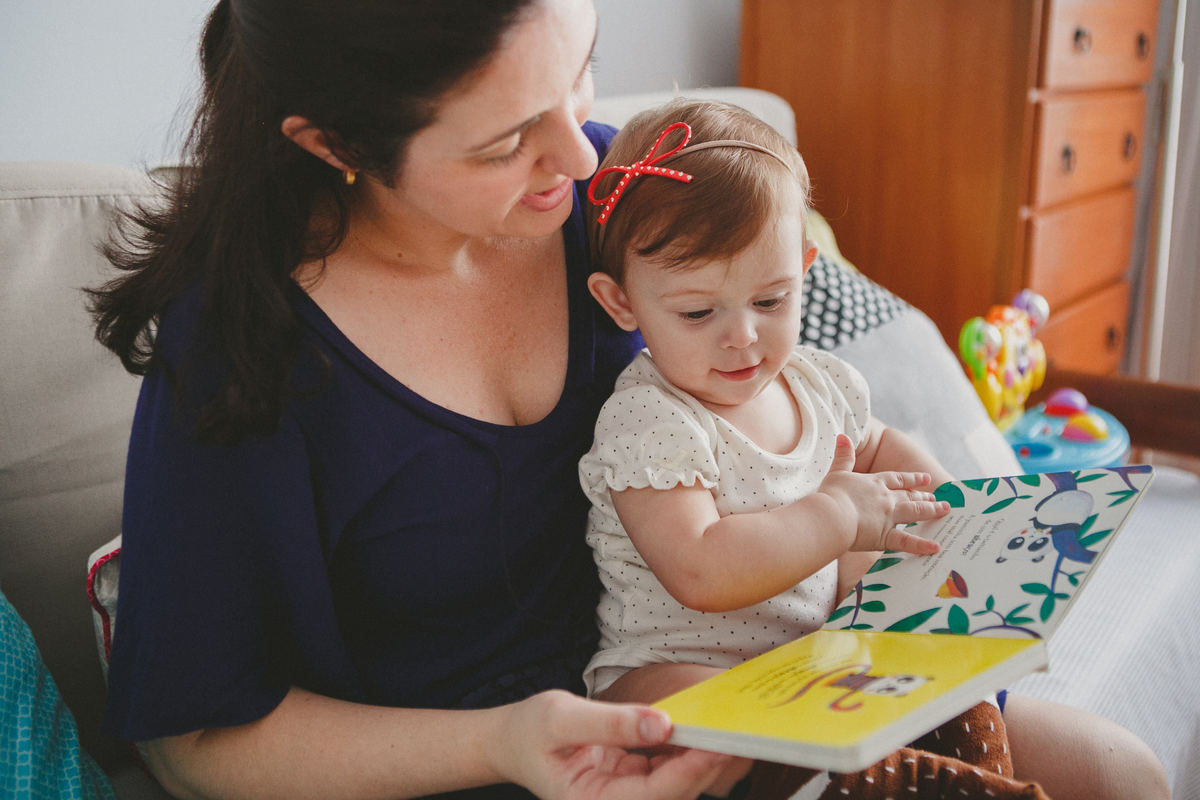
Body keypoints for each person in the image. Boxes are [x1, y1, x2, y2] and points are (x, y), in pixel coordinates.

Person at [87, 1, 731, 798]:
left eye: (581, 75)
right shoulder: (240, 345)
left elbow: (775, 407)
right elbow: (195, 740)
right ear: (338, 144)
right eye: (505, 143)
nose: (576, 154)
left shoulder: (623, 201)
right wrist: (503, 745)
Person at [577, 99, 1170, 800]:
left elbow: (883, 443)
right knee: (698, 727)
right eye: (699, 313)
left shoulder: (818, 382)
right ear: (621, 304)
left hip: (816, 663)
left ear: (804, 267)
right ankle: (893, 778)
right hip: (677, 665)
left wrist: (967, 515)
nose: (742, 337)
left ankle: (957, 763)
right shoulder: (652, 418)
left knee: (975, 696)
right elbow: (700, 570)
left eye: (770, 301)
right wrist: (835, 517)